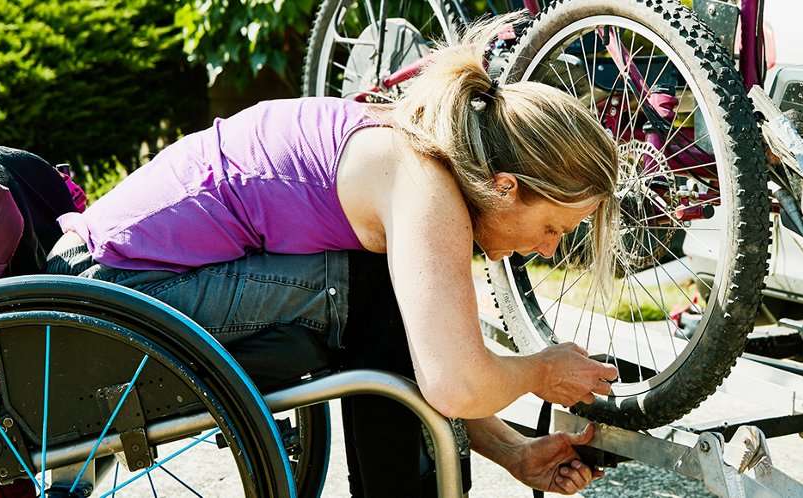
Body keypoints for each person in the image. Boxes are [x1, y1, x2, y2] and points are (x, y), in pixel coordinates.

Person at [47, 13, 621, 496]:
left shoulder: (413, 153)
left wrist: (514, 451)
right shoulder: (422, 185)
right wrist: (539, 370)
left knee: (381, 294)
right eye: (554, 226)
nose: (549, 247)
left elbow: (440, 363)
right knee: (370, 290)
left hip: (122, 273)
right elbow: (454, 381)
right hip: (116, 288)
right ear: (504, 187)